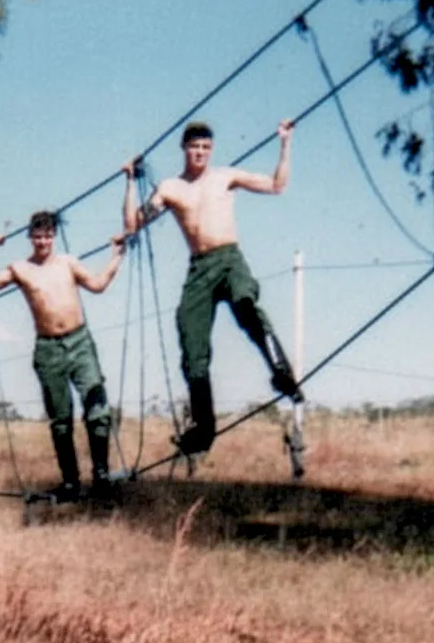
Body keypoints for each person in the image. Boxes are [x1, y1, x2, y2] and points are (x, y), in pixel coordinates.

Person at [122, 119, 303, 456]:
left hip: (229, 259)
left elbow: (277, 185)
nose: (200, 153)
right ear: (184, 149)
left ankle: (281, 373)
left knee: (246, 304)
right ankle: (203, 428)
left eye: (206, 147)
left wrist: (285, 143)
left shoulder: (225, 176)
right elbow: (133, 224)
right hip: (199, 269)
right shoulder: (170, 188)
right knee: (191, 340)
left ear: (212, 149)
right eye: (195, 147)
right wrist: (131, 182)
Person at [0, 211, 125, 502]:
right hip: (48, 349)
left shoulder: (68, 262)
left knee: (97, 410)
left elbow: (98, 285)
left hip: (80, 342)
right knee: (60, 420)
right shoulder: (20, 268)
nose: (42, 242)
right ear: (30, 237)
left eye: (47, 236)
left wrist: (116, 256)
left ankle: (101, 475)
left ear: (54, 236)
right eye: (37, 237)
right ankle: (70, 483)